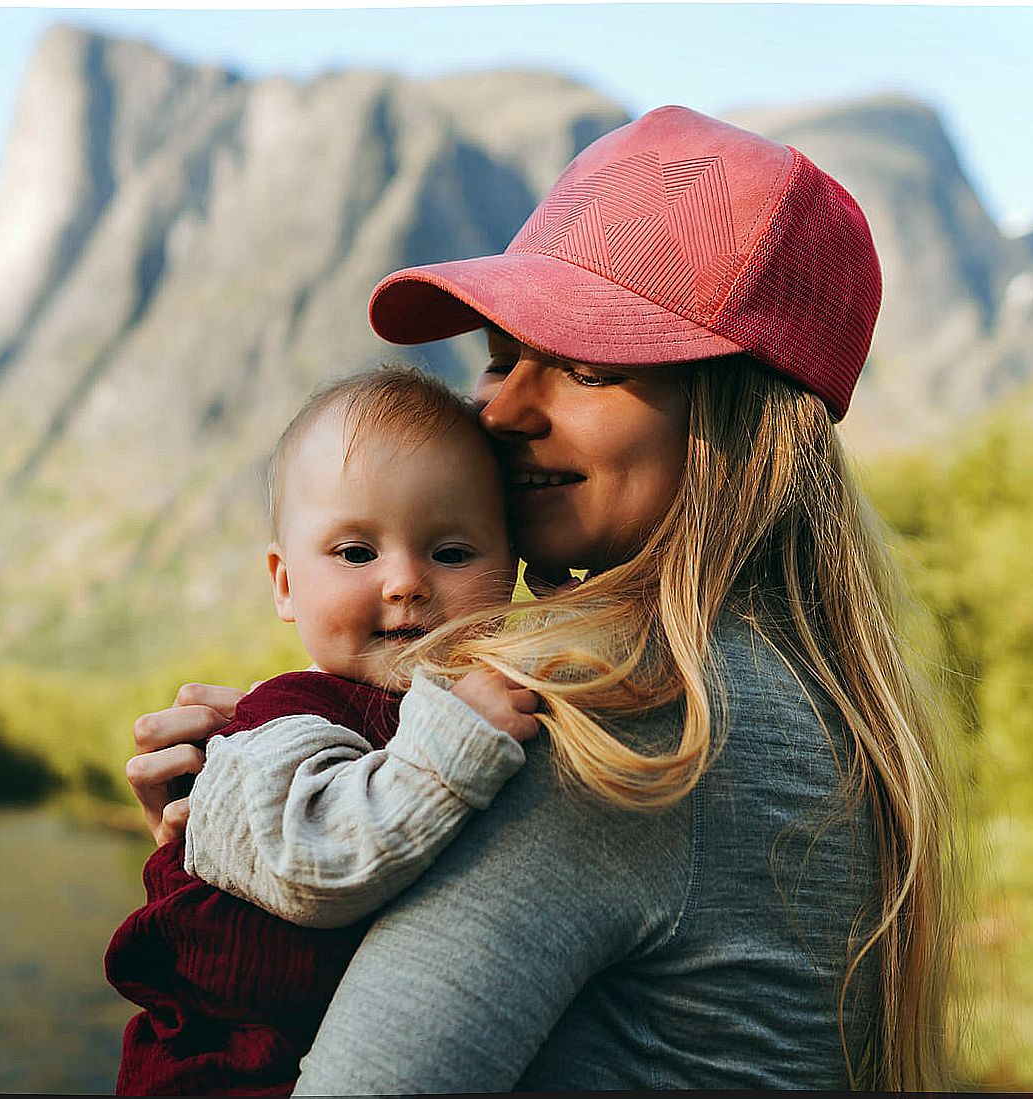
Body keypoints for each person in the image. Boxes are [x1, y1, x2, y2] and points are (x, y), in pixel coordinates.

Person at [127, 105, 959, 1091]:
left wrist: (229, 828)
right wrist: (271, 802)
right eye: (500, 357)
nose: (502, 409)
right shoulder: (804, 702)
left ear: (741, 420)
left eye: (586, 366)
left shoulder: (624, 725)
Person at [106, 366, 542, 1095]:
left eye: (454, 552)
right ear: (284, 583)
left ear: (513, 570)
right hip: (222, 1070)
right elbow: (314, 860)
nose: (405, 580)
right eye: (356, 553)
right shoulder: (279, 721)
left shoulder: (471, 705)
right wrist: (455, 745)